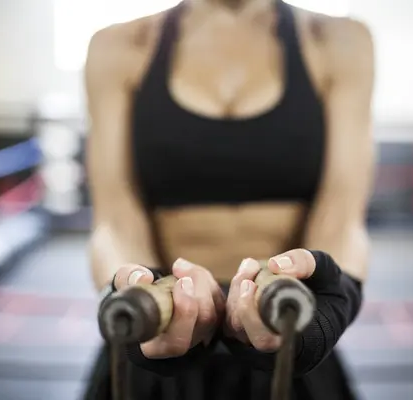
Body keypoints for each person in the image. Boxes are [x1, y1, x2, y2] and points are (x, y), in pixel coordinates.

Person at [83, 0, 375, 398]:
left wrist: (328, 308)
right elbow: (114, 221)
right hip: (158, 340)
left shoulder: (339, 42)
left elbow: (342, 217)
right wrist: (132, 291)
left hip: (288, 332)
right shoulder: (118, 47)